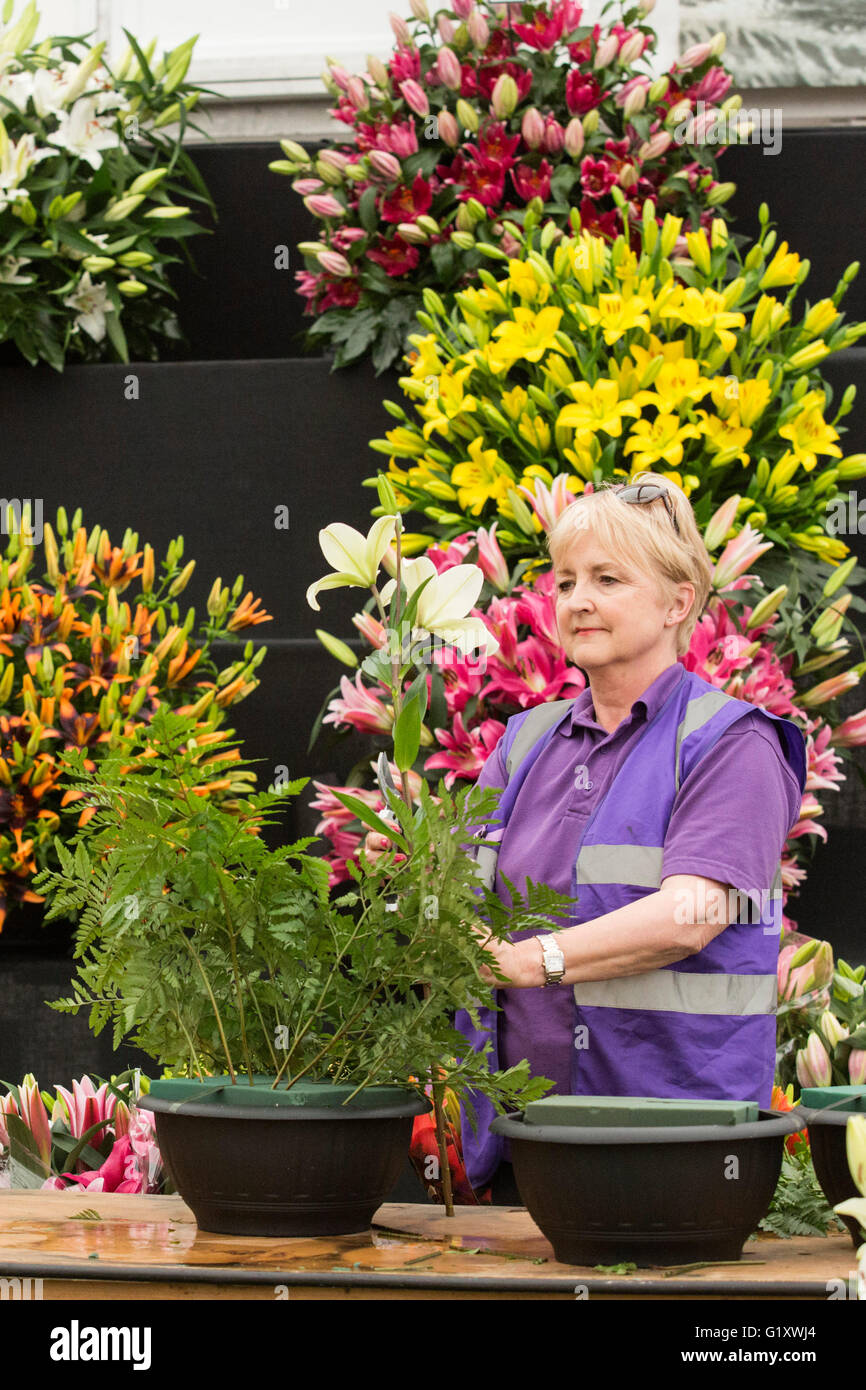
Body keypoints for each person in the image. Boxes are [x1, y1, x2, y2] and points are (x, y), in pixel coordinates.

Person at [448, 472, 807, 1201]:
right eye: (566, 579)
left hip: (666, 1148)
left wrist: (530, 961)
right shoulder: (525, 741)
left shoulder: (730, 743)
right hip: (520, 1147)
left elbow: (692, 915)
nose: (578, 599)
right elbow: (455, 892)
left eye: (608, 579)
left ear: (680, 603)